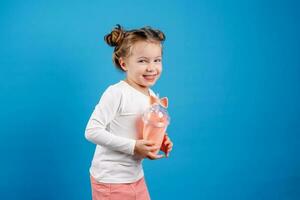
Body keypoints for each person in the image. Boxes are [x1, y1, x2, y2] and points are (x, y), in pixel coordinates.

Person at [85, 24, 173, 200]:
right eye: (143, 61)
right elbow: (92, 131)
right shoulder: (117, 93)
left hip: (135, 177)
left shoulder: (151, 94)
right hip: (110, 181)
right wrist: (134, 147)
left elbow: (139, 128)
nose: (151, 67)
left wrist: (159, 140)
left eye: (157, 60)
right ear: (124, 63)